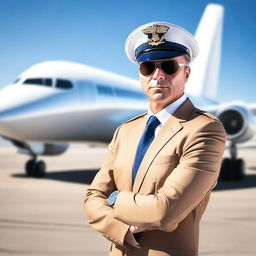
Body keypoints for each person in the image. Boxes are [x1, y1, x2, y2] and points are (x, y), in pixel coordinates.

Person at [84, 21, 226, 256]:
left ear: (186, 73)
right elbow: (91, 199)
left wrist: (115, 198)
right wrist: (123, 228)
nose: (157, 75)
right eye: (147, 67)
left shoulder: (204, 129)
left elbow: (165, 211)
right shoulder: (125, 131)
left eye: (169, 66)